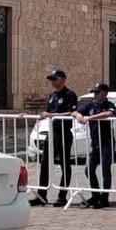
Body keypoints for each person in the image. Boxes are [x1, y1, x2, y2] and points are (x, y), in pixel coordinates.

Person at [32, 68, 77, 207]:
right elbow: (49, 111)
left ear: (62, 79)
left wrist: (51, 115)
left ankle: (62, 196)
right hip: (51, 132)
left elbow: (71, 112)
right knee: (45, 163)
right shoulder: (52, 96)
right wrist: (44, 114)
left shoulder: (70, 94)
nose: (52, 82)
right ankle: (42, 195)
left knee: (64, 164)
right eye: (51, 79)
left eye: (54, 79)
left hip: (63, 132)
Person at [74, 83, 116, 209]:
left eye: (97, 92)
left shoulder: (109, 105)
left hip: (106, 142)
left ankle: (105, 198)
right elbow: (75, 112)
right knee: (89, 169)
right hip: (95, 142)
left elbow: (109, 114)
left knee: (105, 170)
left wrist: (90, 117)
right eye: (94, 93)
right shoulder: (91, 104)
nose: (95, 95)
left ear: (104, 93)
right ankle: (96, 195)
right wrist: (79, 116)